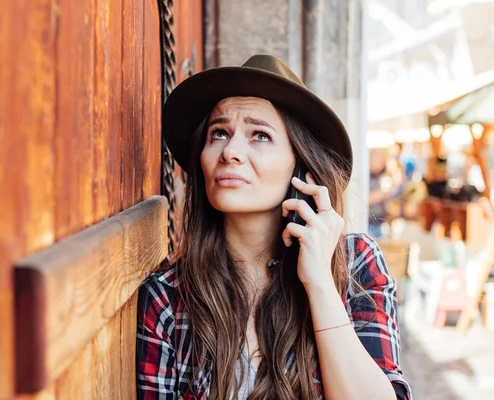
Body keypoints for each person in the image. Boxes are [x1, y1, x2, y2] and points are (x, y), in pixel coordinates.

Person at [136, 55, 410, 400]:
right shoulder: (167, 297)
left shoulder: (355, 264)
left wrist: (320, 283)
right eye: (218, 133)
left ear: (302, 166)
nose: (231, 151)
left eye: (260, 136)